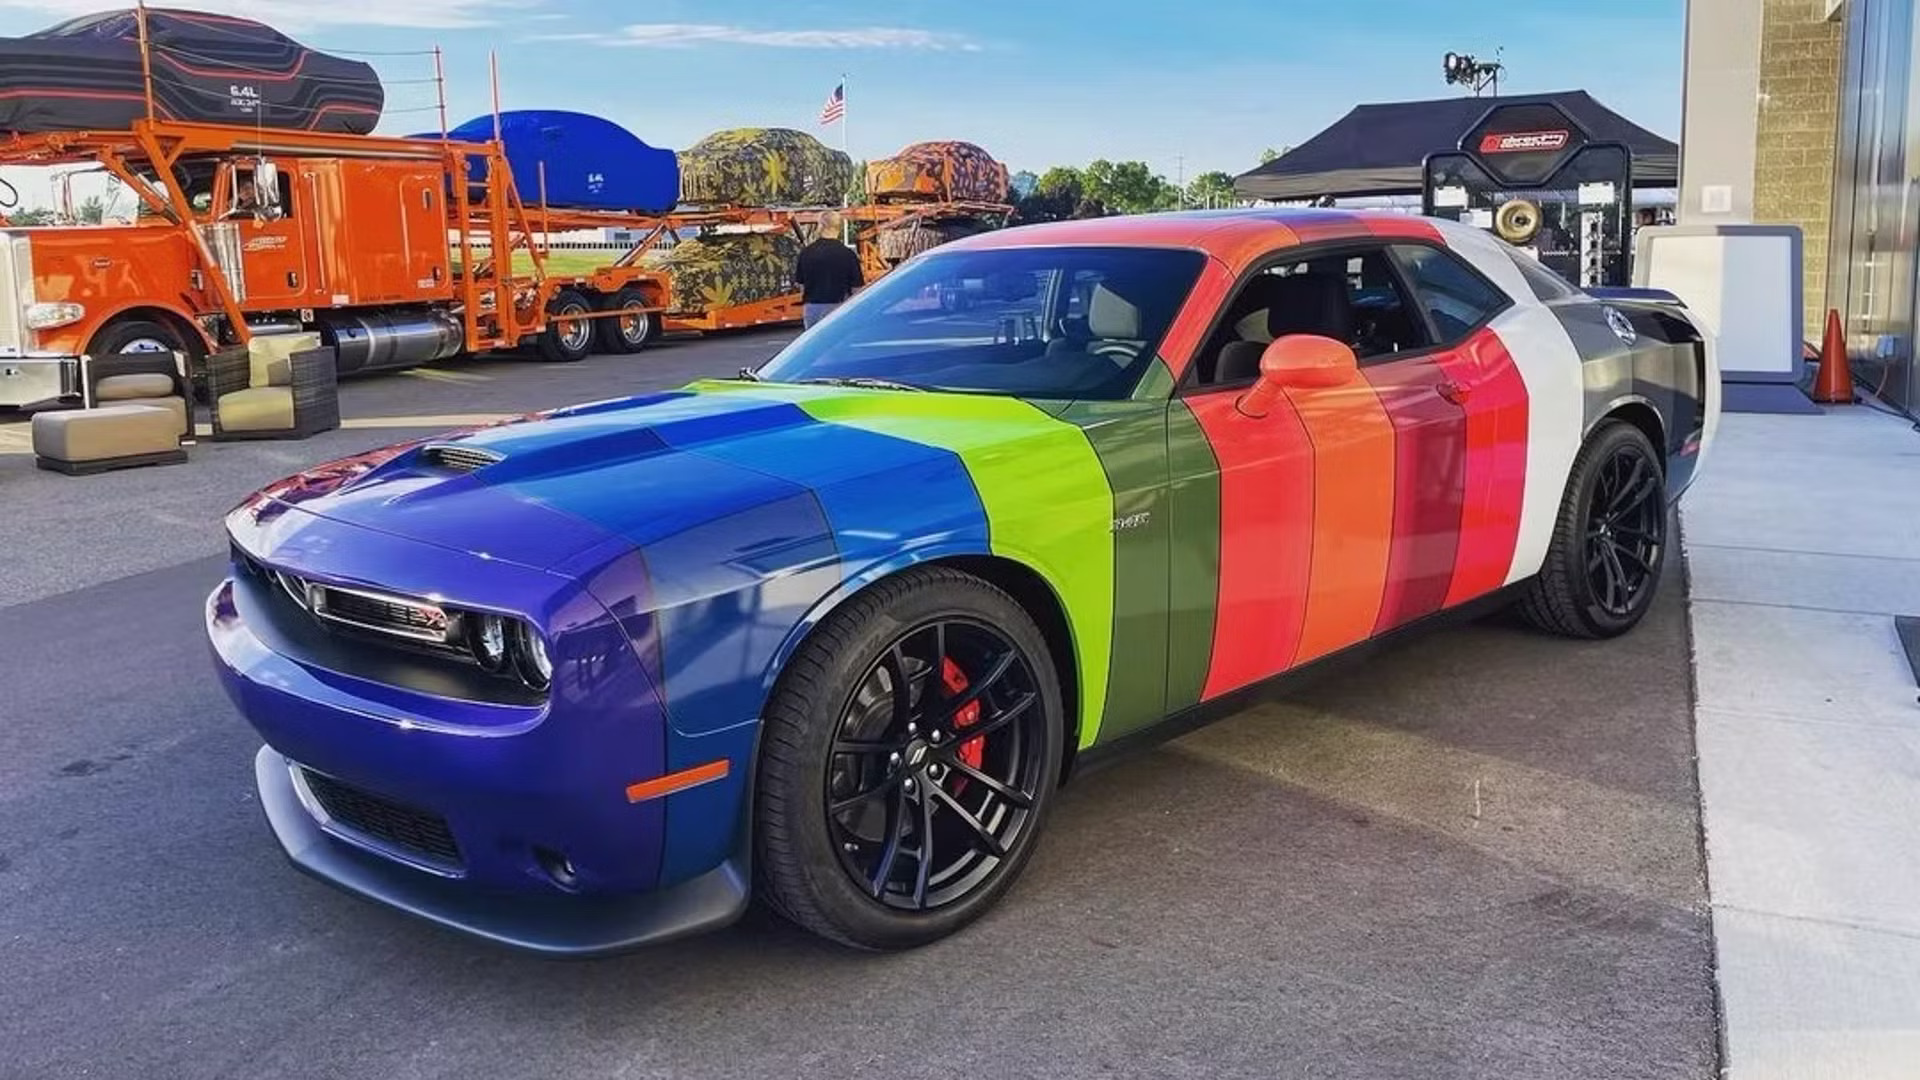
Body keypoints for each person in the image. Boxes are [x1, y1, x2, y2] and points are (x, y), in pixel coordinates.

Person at [795, 212, 863, 328]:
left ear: (820, 225)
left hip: (812, 308)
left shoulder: (807, 252)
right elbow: (856, 288)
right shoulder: (848, 254)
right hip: (839, 307)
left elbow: (801, 284)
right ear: (839, 228)